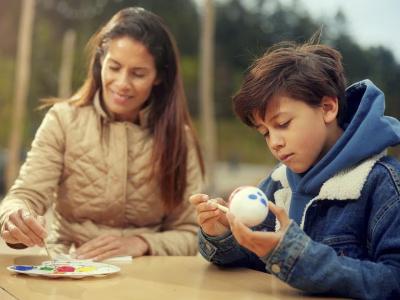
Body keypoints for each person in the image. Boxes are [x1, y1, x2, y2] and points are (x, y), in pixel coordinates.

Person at [190, 40, 400, 299]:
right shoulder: (278, 183)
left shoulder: (383, 183)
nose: (275, 143)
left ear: (327, 108)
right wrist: (223, 235)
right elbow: (253, 261)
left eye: (283, 123)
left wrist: (298, 256)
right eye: (265, 133)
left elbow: (393, 281)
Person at [0, 7, 205, 260]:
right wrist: (14, 219)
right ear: (100, 62)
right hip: (71, 265)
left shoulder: (179, 138)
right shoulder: (63, 120)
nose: (122, 83)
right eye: (115, 67)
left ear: (159, 77)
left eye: (138, 74)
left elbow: (192, 231)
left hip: (148, 275)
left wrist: (141, 243)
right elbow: (25, 195)